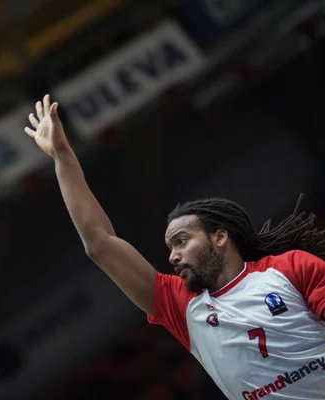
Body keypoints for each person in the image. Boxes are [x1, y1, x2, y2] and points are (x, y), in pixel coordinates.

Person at [24, 94, 325, 399]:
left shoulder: (291, 268)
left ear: (219, 237)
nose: (173, 255)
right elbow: (99, 243)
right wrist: (63, 156)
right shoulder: (180, 307)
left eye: (182, 240)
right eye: (169, 247)